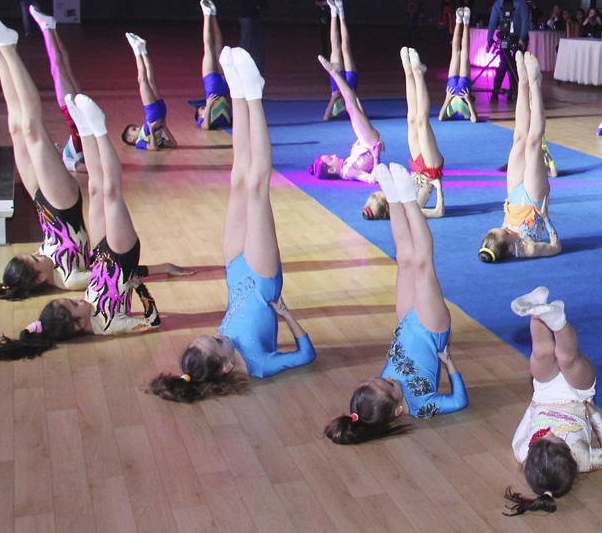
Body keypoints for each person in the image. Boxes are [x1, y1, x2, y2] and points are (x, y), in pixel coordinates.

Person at [0, 53, 165, 360]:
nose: (77, 301)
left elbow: (92, 275)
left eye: (71, 302)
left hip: (100, 252)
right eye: (73, 305)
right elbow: (152, 321)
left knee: (97, 187)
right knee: (110, 191)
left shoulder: (80, 298)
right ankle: (99, 129)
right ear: (79, 324)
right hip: (121, 258)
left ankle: (87, 128)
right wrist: (139, 283)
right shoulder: (107, 323)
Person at [150, 47, 315, 401]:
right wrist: (287, 317)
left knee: (239, 178)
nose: (217, 334)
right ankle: (254, 95)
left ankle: (237, 93)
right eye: (216, 341)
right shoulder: (258, 365)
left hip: (235, 272)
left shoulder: (220, 353)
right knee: (257, 185)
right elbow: (306, 356)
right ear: (227, 366)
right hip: (260, 279)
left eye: (207, 335)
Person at [325, 162, 468, 441]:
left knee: (404, 259)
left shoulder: (374, 400)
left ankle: (392, 199)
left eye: (379, 378)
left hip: (405, 323)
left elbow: (368, 406)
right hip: (430, 329)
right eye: (389, 384)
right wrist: (450, 365)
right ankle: (410, 201)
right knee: (423, 263)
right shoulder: (420, 406)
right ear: (397, 411)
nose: (389, 378)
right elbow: (459, 402)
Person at [0, 7, 91, 298]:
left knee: (16, 129)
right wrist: (161, 268)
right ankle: (9, 49)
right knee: (32, 130)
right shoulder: (68, 279)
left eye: (32, 255)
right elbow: (115, 269)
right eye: (37, 261)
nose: (40, 256)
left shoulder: (45, 267)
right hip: (63, 205)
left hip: (42, 204)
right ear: (40, 281)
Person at [504, 289, 602, 514]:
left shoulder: (523, 453)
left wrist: (534, 403)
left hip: (545, 395)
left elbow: (522, 430)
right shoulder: (584, 460)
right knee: (567, 359)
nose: (548, 432)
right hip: (578, 396)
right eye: (555, 439)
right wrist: (595, 416)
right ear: (569, 455)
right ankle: (558, 321)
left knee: (541, 354)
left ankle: (537, 308)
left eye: (541, 439)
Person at [480, 52, 561, 262]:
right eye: (504, 232)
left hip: (514, 197)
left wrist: (508, 220)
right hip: (534, 204)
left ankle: (522, 81)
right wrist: (546, 219)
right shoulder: (527, 249)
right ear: (508, 246)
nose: (504, 229)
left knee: (519, 138)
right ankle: (535, 83)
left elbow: (504, 227)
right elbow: (556, 247)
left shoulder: (497, 240)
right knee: (534, 144)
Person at [363, 47, 445, 220]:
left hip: (416, 169)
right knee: (422, 122)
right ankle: (419, 74)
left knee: (411, 119)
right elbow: (438, 213)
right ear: (385, 204)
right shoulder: (408, 211)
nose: (380, 191)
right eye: (379, 195)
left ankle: (409, 72)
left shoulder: (396, 197)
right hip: (430, 171)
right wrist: (439, 191)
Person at [310, 50, 383, 183]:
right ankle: (334, 73)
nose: (334, 155)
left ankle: (337, 76)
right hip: (371, 144)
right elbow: (372, 179)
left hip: (367, 142)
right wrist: (376, 156)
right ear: (331, 170)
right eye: (331, 159)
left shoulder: (346, 166)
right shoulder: (348, 172)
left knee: (352, 107)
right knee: (351, 107)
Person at [28, 5, 84, 170]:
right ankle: (47, 27)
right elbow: (88, 169)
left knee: (64, 66)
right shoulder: (67, 162)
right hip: (73, 116)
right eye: (53, 147)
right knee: (58, 68)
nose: (56, 144)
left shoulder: (69, 155)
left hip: (78, 118)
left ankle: (50, 26)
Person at [121, 33, 177, 150]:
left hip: (160, 112)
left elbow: (171, 144)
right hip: (154, 113)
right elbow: (156, 147)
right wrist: (158, 128)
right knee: (142, 80)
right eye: (134, 130)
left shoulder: (149, 134)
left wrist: (159, 127)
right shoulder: (139, 143)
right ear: (130, 139)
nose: (138, 128)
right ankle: (137, 50)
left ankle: (143, 49)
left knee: (150, 80)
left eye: (135, 127)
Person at [486, 0, 530, 100]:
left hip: (518, 38)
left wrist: (521, 38)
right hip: (505, 37)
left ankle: (514, 92)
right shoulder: (498, 3)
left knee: (516, 65)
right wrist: (489, 40)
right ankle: (496, 91)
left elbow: (525, 21)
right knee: (504, 64)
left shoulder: (520, 2)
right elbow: (492, 23)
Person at [193, 0, 232, 130]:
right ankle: (213, 14)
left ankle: (206, 14)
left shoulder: (202, 120)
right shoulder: (207, 118)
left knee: (209, 48)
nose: (202, 108)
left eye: (201, 108)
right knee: (219, 49)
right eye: (201, 109)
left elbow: (205, 126)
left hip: (212, 89)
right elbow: (207, 127)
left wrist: (208, 105)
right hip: (225, 89)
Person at [321, 0, 359, 121]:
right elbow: (360, 110)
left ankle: (333, 13)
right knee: (346, 49)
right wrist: (353, 97)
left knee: (335, 47)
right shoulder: (353, 115)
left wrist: (334, 98)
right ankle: (341, 13)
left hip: (336, 87)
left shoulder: (336, 113)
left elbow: (326, 118)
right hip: (350, 87)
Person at [438, 3, 477, 122]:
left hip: (451, 90)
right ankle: (466, 22)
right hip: (464, 91)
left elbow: (440, 118)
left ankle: (458, 21)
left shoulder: (449, 115)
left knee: (455, 52)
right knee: (464, 53)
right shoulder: (467, 114)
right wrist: (468, 99)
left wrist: (447, 99)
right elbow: (474, 120)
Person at [236, 0, 267, 72]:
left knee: (257, 43)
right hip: (247, 17)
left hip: (253, 16)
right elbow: (249, 2)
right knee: (246, 42)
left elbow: (261, 2)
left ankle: (258, 67)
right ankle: (240, 65)